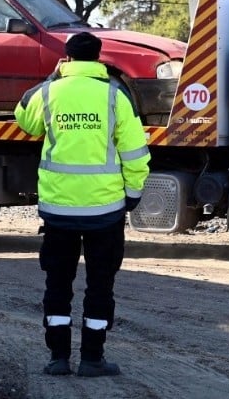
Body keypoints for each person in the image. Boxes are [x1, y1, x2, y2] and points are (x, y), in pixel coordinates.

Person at [14, 31, 150, 378]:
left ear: (68, 58)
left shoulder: (50, 92)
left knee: (58, 284)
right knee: (100, 286)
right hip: (105, 212)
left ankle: (58, 358)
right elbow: (135, 152)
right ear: (98, 57)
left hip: (58, 211)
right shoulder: (115, 96)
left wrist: (51, 77)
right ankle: (92, 359)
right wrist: (133, 193)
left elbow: (23, 118)